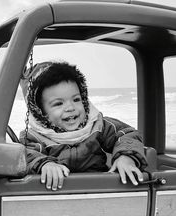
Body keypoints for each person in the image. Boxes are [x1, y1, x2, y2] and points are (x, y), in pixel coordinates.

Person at [19, 61, 147, 191]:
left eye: (76, 99)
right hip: (56, 194)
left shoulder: (97, 125)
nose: (70, 108)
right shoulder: (35, 136)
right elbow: (25, 155)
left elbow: (127, 134)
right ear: (39, 111)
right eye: (58, 104)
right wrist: (45, 164)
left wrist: (126, 156)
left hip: (99, 190)